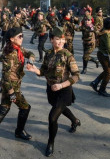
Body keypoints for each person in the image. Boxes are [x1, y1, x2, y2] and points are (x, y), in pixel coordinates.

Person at [27, 27, 80, 157]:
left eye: (62, 39)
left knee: (52, 117)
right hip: (51, 89)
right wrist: (35, 70)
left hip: (64, 90)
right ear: (51, 40)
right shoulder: (49, 54)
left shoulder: (68, 55)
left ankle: (50, 143)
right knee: (59, 108)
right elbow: (43, 71)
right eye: (58, 39)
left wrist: (62, 85)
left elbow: (76, 75)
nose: (61, 41)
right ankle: (75, 120)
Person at [0, 27, 35, 148]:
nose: (22, 38)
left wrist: (30, 60)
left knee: (3, 109)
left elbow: (30, 53)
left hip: (12, 85)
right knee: (25, 107)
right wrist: (11, 93)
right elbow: (5, 76)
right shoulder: (9, 54)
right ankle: (19, 131)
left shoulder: (18, 48)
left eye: (22, 36)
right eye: (19, 36)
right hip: (11, 86)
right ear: (12, 39)